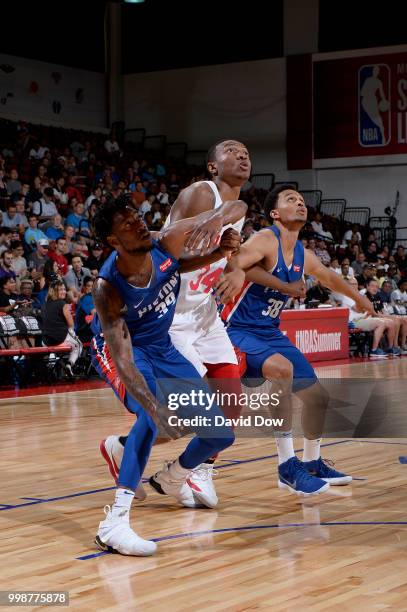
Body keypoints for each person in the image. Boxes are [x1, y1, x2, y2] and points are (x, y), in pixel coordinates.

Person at [90, 193, 243, 556]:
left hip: (163, 348)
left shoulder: (164, 242)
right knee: (149, 414)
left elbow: (233, 212)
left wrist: (222, 244)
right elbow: (124, 361)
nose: (139, 222)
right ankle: (115, 522)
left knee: (220, 433)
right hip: (123, 352)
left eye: (138, 216)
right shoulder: (107, 286)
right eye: (127, 223)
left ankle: (172, 477)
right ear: (113, 241)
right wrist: (153, 406)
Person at [218, 184, 375, 495]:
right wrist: (285, 286)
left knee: (319, 398)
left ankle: (313, 463)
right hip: (236, 329)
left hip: (269, 332)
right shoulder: (265, 238)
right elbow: (235, 264)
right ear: (275, 213)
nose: (300, 204)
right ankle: (286, 465)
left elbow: (329, 277)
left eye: (302, 201)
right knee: (282, 370)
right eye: (291, 200)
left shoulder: (302, 253)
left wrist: (359, 298)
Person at [41, 281, 82, 376]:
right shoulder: (62, 304)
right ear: (54, 291)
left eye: (64, 289)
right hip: (60, 339)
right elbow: (71, 324)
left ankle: (52, 362)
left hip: (45, 341)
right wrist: (74, 335)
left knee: (60, 347)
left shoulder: (45, 304)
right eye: (61, 289)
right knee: (78, 345)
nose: (64, 291)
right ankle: (69, 365)